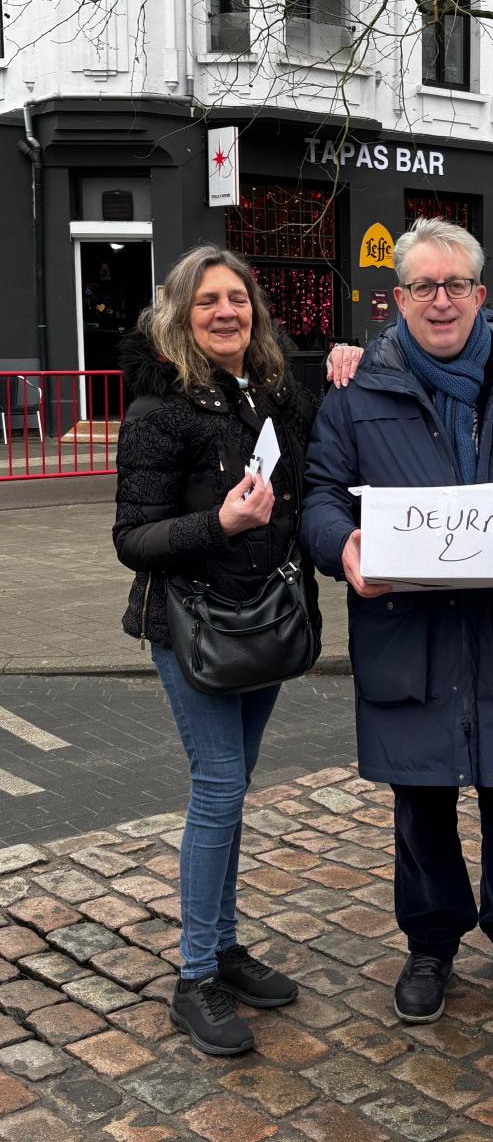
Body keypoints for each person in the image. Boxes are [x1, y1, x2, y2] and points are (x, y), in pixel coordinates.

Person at [300, 218, 493, 1025]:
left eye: (455, 284)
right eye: (422, 286)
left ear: (479, 294)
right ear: (396, 301)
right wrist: (344, 547)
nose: (440, 300)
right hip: (408, 635)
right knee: (421, 800)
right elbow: (320, 495)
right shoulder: (356, 393)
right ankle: (430, 944)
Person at [113, 246, 325, 1057]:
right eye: (209, 302)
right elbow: (132, 539)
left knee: (233, 792)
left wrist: (345, 361)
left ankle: (226, 951)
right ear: (181, 315)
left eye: (238, 298)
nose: (227, 312)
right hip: (193, 628)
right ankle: (194, 974)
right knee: (219, 787)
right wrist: (221, 526)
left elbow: (323, 449)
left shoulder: (272, 392)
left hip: (264, 621)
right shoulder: (158, 410)